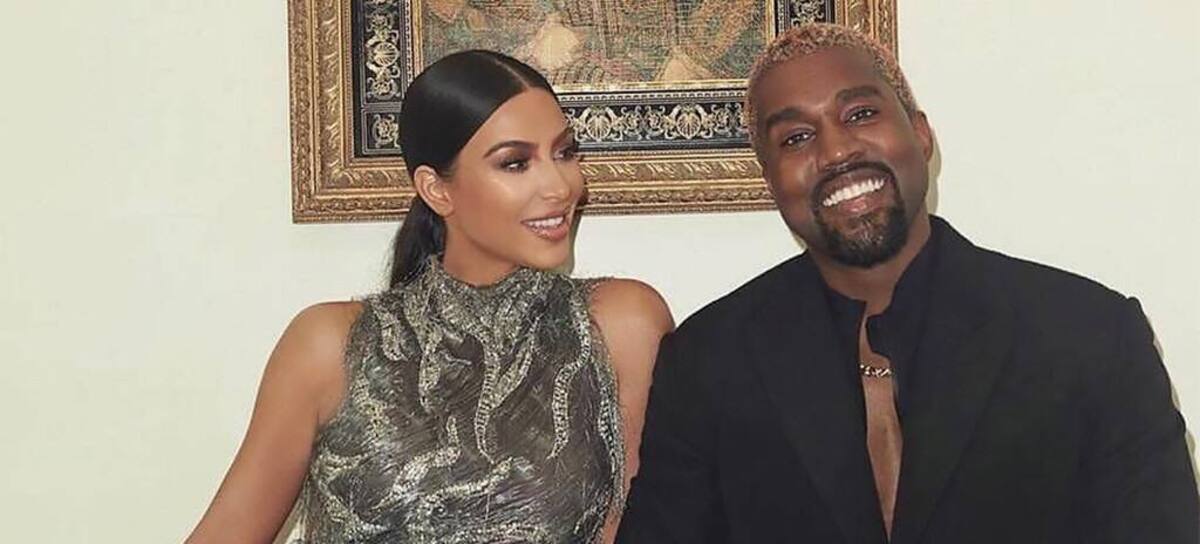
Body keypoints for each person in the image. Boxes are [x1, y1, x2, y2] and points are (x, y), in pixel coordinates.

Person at [617, 23, 1198, 544]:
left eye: (860, 114)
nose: (836, 151)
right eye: (795, 138)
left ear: (921, 135)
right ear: (770, 179)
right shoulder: (708, 362)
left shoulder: (1090, 337)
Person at [187, 50, 673, 543]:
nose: (561, 186)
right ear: (436, 190)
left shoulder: (621, 326)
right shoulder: (328, 346)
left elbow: (642, 527)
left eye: (565, 153)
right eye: (516, 163)